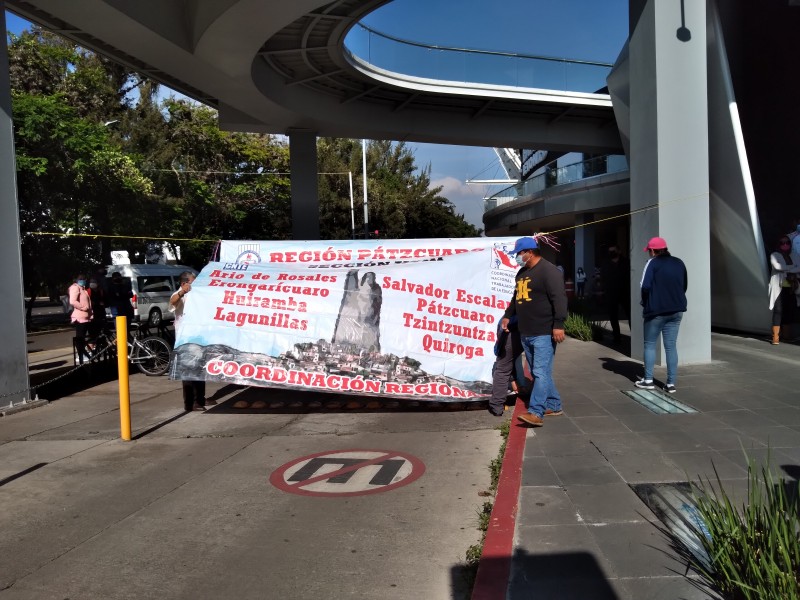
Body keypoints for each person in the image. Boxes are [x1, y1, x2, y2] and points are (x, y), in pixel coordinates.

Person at [501, 236, 568, 427]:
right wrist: (508, 315)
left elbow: (559, 299)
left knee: (539, 372)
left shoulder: (549, 271)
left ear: (529, 252)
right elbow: (516, 298)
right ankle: (554, 405)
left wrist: (558, 324)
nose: (517, 257)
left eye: (519, 253)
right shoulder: (522, 273)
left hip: (544, 332)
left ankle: (536, 412)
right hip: (526, 332)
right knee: (541, 372)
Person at [635, 237, 687, 393]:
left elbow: (644, 286)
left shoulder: (652, 263)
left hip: (656, 311)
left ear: (652, 251)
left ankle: (649, 380)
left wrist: (645, 302)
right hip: (677, 310)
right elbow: (684, 285)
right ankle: (671, 383)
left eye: (649, 251)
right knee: (671, 346)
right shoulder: (679, 262)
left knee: (650, 344)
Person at [169, 271, 206, 411]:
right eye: (192, 282)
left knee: (200, 367)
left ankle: (200, 399)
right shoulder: (180, 294)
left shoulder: (195, 294)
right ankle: (190, 403)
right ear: (184, 283)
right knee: (188, 370)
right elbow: (172, 301)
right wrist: (181, 293)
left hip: (197, 335)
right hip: (185, 337)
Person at [768, 235, 800, 345]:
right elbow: (777, 267)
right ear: (778, 244)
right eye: (782, 243)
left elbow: (799, 267)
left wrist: (786, 268)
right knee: (778, 310)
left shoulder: (794, 255)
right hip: (779, 286)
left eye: (787, 243)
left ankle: (786, 335)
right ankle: (775, 336)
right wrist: (791, 268)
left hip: (791, 287)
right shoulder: (774, 255)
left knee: (789, 310)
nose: (785, 245)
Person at [488, 315, 523, 417]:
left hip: (514, 325)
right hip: (534, 326)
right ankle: (546, 404)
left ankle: (497, 406)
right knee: (541, 370)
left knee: (503, 368)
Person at [602, 244, 630, 344]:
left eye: (613, 251)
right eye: (610, 251)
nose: (611, 253)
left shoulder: (626, 262)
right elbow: (603, 277)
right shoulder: (606, 263)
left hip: (625, 292)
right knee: (613, 316)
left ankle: (634, 336)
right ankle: (616, 337)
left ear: (619, 251)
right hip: (611, 293)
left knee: (629, 314)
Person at [68, 273, 93, 365]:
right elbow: (72, 301)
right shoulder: (75, 287)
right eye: (81, 279)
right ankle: (81, 356)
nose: (84, 281)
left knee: (84, 338)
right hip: (80, 317)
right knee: (80, 338)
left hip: (86, 317)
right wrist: (83, 307)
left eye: (84, 279)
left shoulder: (83, 289)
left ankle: (85, 354)